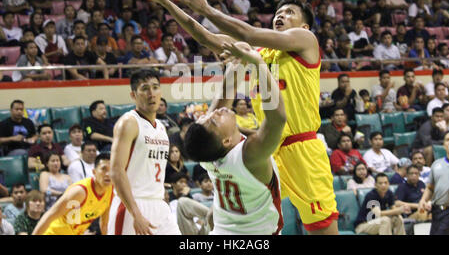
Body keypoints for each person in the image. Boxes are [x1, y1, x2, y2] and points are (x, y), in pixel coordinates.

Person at [135, 0, 338, 234]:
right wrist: (165, 2)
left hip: (302, 148)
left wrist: (207, 9)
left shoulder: (306, 40)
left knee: (321, 229)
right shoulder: (258, 53)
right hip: (268, 149)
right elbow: (206, 37)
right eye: (278, 12)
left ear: (305, 25)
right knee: (242, 217)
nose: (281, 15)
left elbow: (248, 33)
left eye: (289, 12)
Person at [183, 41, 286, 235]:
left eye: (207, 115)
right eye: (213, 120)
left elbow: (225, 92)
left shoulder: (209, 155)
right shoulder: (249, 155)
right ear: (226, 141)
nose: (215, 112)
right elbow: (277, 118)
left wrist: (240, 59)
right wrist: (257, 63)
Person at [108, 69, 181, 235]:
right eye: (145, 88)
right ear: (133, 95)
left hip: (158, 204)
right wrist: (136, 213)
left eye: (155, 87)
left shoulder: (161, 127)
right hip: (132, 205)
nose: (151, 93)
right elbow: (116, 171)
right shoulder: (129, 123)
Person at [32, 154, 112, 235]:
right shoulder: (80, 192)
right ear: (94, 172)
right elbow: (50, 215)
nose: (108, 174)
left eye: (111, 170)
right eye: (104, 169)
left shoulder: (111, 192)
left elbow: (104, 224)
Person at [418, 131, 449, 235]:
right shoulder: (436, 164)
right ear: (444, 144)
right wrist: (423, 200)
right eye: (448, 140)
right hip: (437, 211)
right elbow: (430, 188)